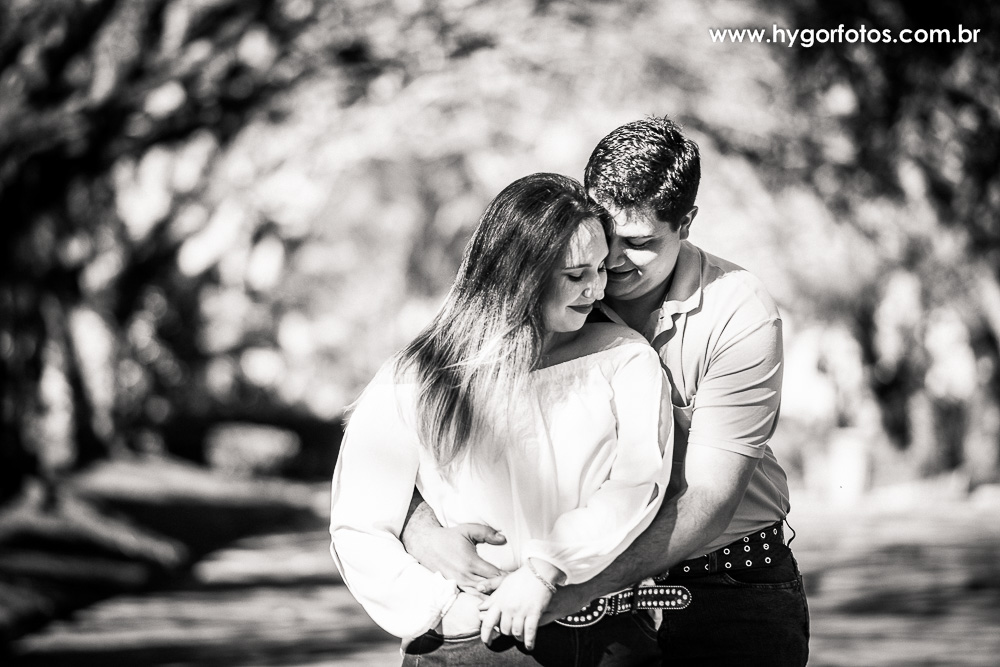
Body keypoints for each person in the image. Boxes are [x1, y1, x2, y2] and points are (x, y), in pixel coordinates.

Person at [401, 117, 810, 666]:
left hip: (722, 589)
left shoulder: (738, 310)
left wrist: (559, 586)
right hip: (581, 599)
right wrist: (422, 531)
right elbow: (422, 425)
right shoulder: (554, 291)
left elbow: (710, 498)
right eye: (605, 233)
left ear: (687, 222)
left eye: (639, 243)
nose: (612, 261)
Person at [330, 173, 678, 665]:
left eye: (600, 268)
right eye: (575, 274)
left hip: (607, 641)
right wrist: (441, 611)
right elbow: (358, 523)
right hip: (473, 644)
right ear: (519, 274)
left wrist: (545, 568)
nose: (597, 288)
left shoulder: (625, 358)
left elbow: (635, 486)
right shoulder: (419, 376)